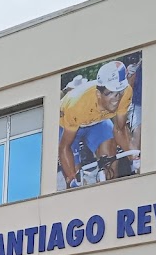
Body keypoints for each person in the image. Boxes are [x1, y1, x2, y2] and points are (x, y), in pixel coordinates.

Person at [58, 60, 135, 188]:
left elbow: (120, 130)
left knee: (110, 159)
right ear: (99, 94)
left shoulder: (126, 92)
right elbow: (64, 147)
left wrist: (134, 158)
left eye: (119, 92)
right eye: (110, 93)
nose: (117, 99)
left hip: (98, 121)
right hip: (69, 124)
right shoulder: (77, 106)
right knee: (75, 179)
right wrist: (72, 180)